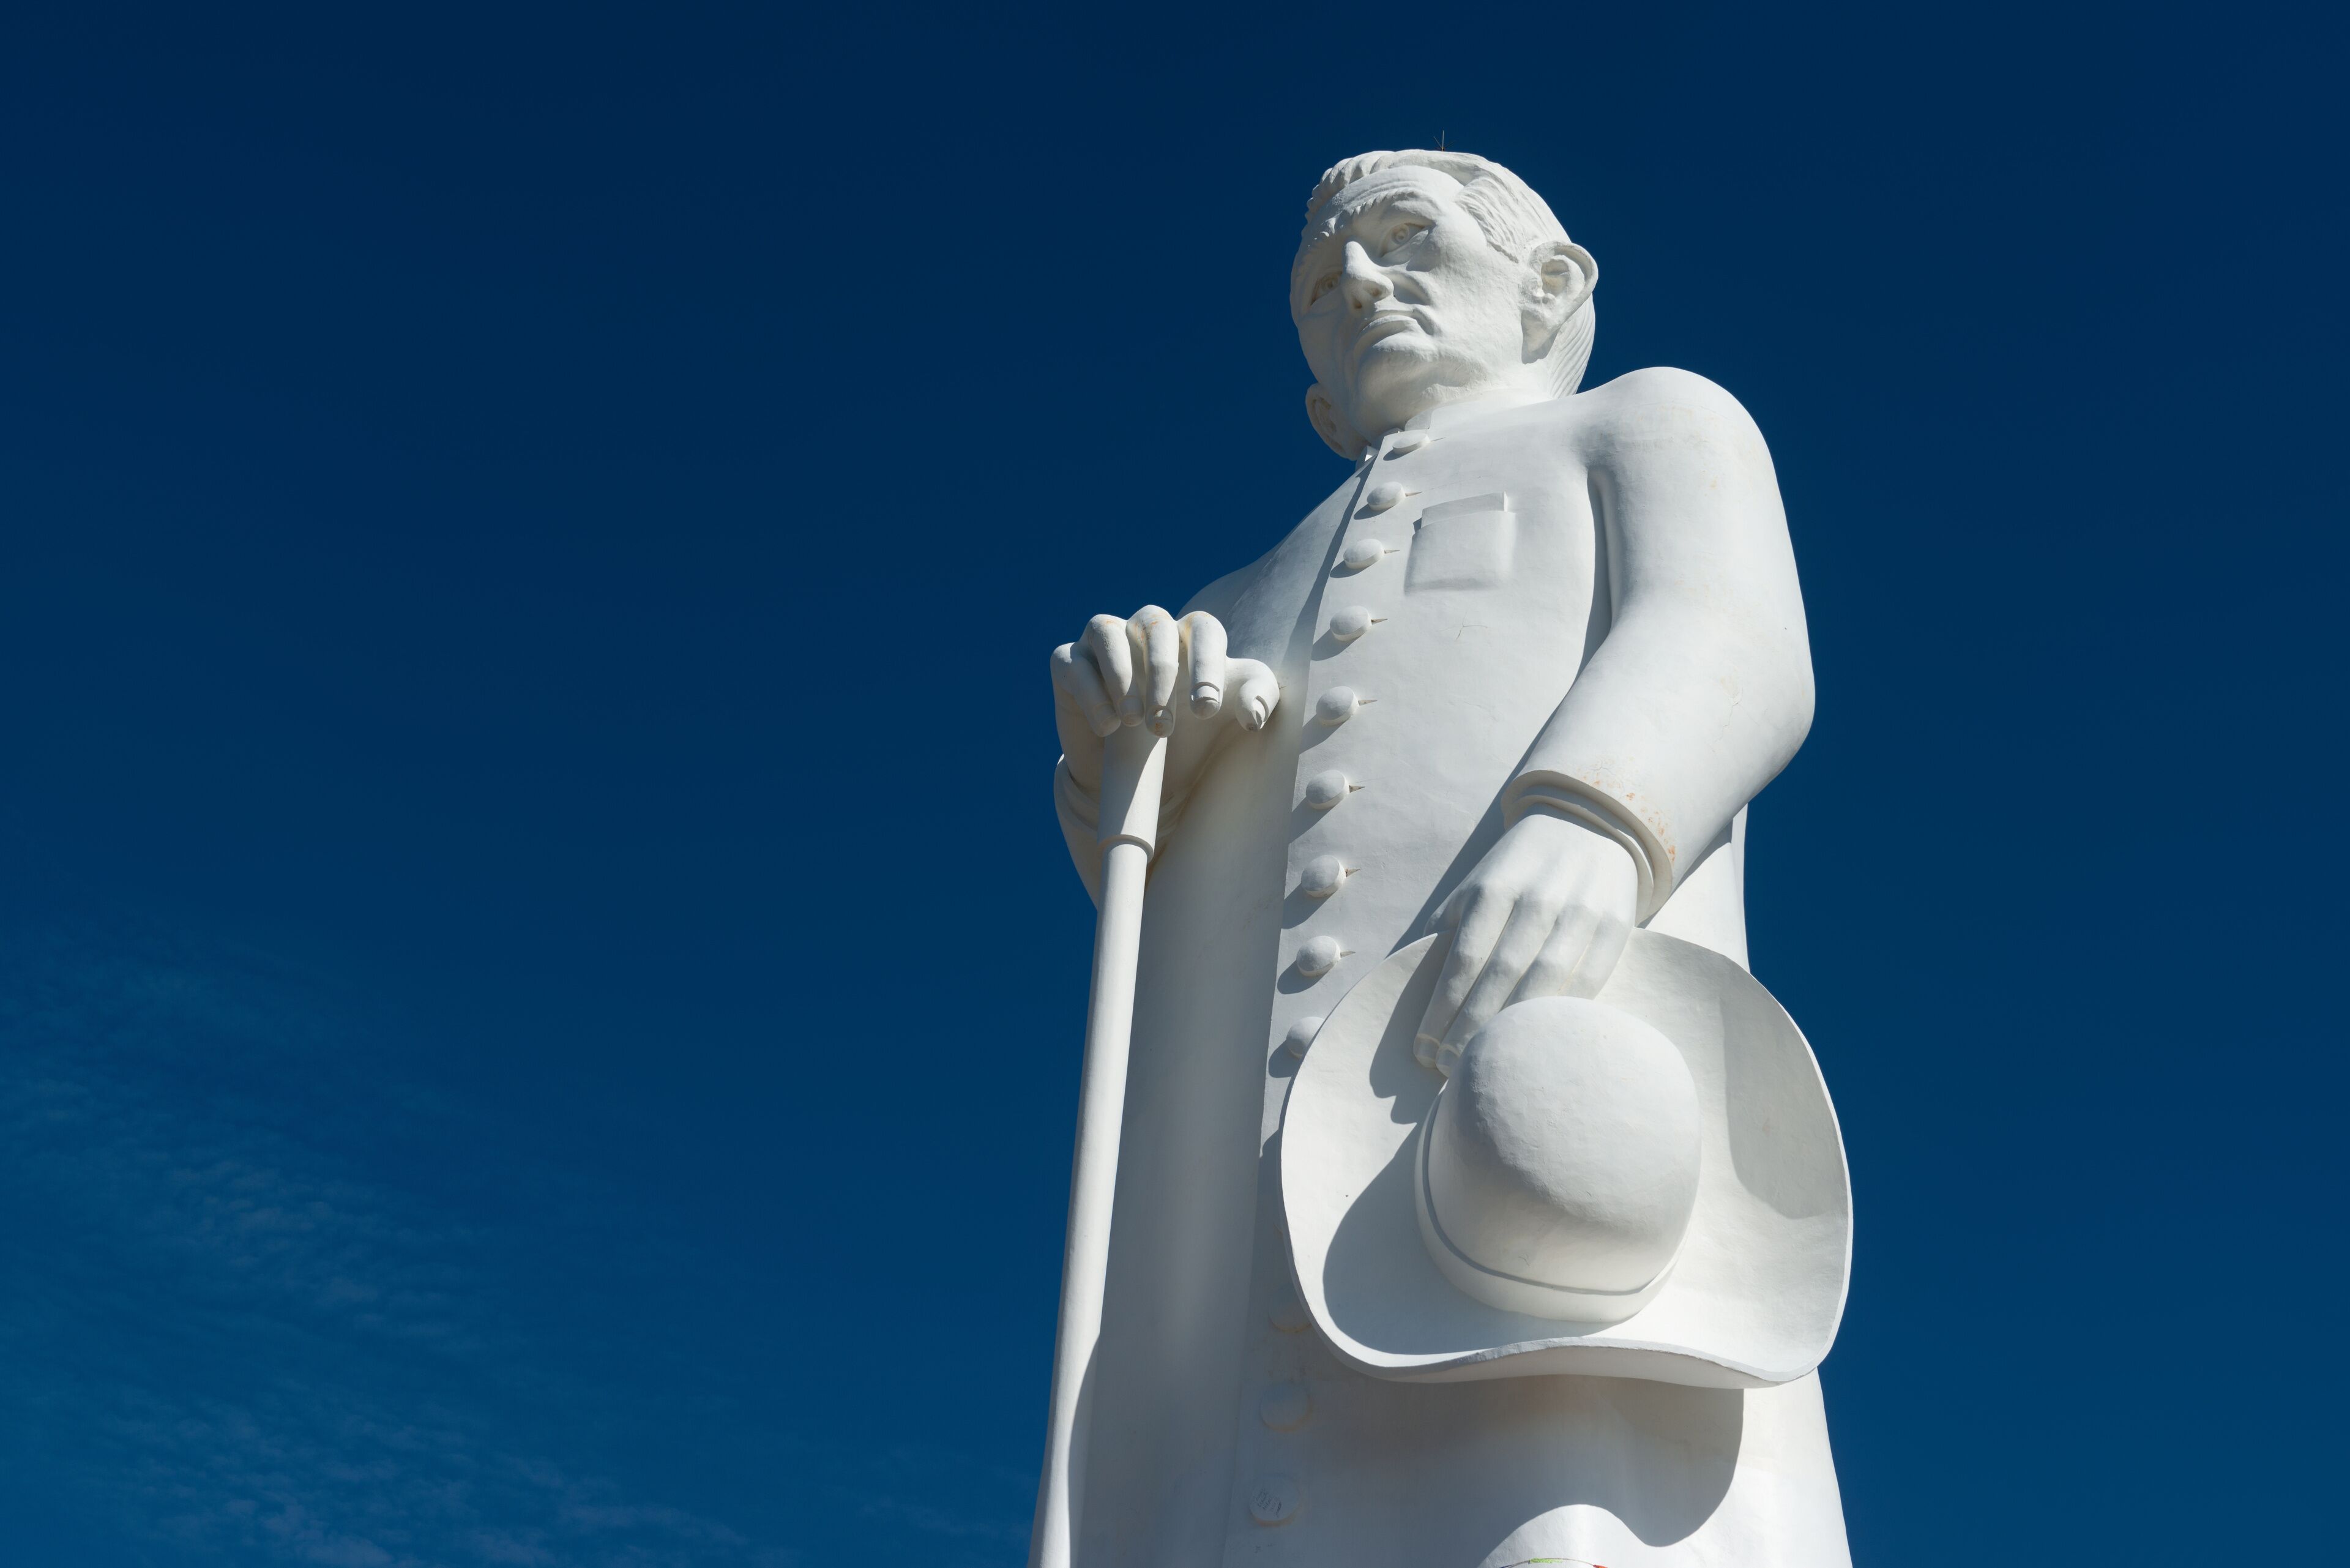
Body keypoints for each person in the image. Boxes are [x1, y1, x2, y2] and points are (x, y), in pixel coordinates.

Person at [1045, 149, 1845, 1567]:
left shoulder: (1644, 421)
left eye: (1406, 238)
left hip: (1524, 1127)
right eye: (1317, 287)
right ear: (1315, 397)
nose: (1357, 283)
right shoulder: (1236, 600)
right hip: (1235, 1255)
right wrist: (1126, 751)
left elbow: (1729, 632)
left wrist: (1596, 816)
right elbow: (1157, 907)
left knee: (1557, 1474)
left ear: (1550, 286)